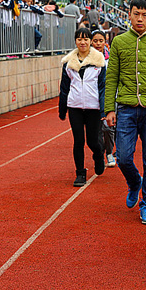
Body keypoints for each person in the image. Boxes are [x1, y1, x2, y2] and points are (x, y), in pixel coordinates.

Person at [104, 0, 146, 225]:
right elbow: (111, 77)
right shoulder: (119, 42)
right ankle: (134, 183)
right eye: (136, 14)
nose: (140, 18)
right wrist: (109, 108)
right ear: (128, 15)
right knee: (122, 157)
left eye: (145, 15)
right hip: (126, 109)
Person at [59, 27, 106, 186]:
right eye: (79, 39)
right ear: (75, 41)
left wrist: (104, 108)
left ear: (90, 41)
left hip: (93, 107)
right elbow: (64, 87)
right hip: (75, 107)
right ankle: (80, 173)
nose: (83, 42)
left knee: (92, 141)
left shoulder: (99, 61)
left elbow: (102, 87)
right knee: (78, 140)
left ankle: (99, 154)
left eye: (86, 39)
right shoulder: (68, 62)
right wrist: (62, 108)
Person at [91, 30, 117, 168]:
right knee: (95, 131)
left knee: (108, 128)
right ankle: (99, 153)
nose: (98, 44)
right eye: (95, 41)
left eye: (100, 41)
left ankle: (109, 153)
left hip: (107, 97)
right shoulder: (86, 59)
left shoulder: (110, 58)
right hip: (90, 98)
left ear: (105, 42)